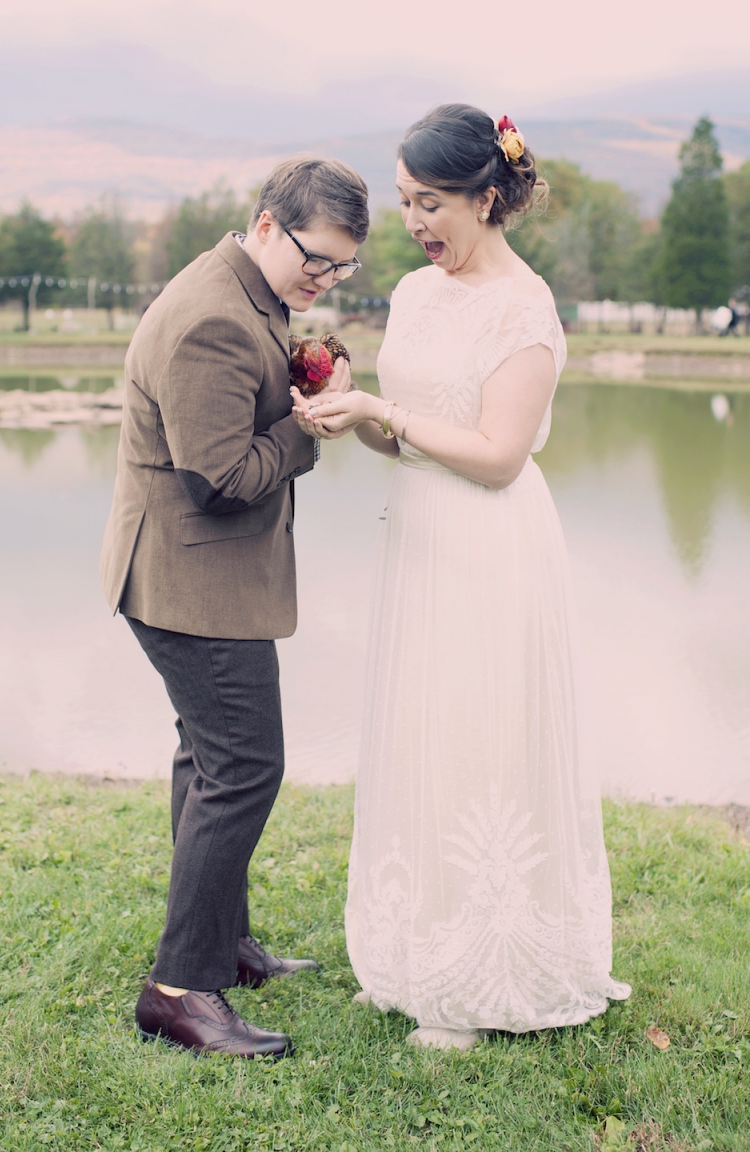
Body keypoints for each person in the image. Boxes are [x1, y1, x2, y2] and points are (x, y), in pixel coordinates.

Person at [293, 105, 631, 1050]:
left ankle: (488, 976)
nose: (416, 222)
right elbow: (400, 441)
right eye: (405, 202)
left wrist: (381, 407)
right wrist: (345, 409)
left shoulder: (526, 311)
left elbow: (496, 457)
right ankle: (411, 953)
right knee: (419, 732)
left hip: (493, 546)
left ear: (488, 197)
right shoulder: (410, 293)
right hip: (421, 539)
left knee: (480, 737)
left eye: (432, 202)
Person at [100, 155, 369, 1058]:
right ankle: (181, 986)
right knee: (245, 765)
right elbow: (219, 480)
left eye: (339, 268)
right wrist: (306, 430)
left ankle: (223, 942)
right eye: (315, 260)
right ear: (265, 225)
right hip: (189, 578)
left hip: (195, 572)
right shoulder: (213, 317)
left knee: (207, 758)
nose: (321, 280)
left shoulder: (246, 291)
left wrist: (299, 390)